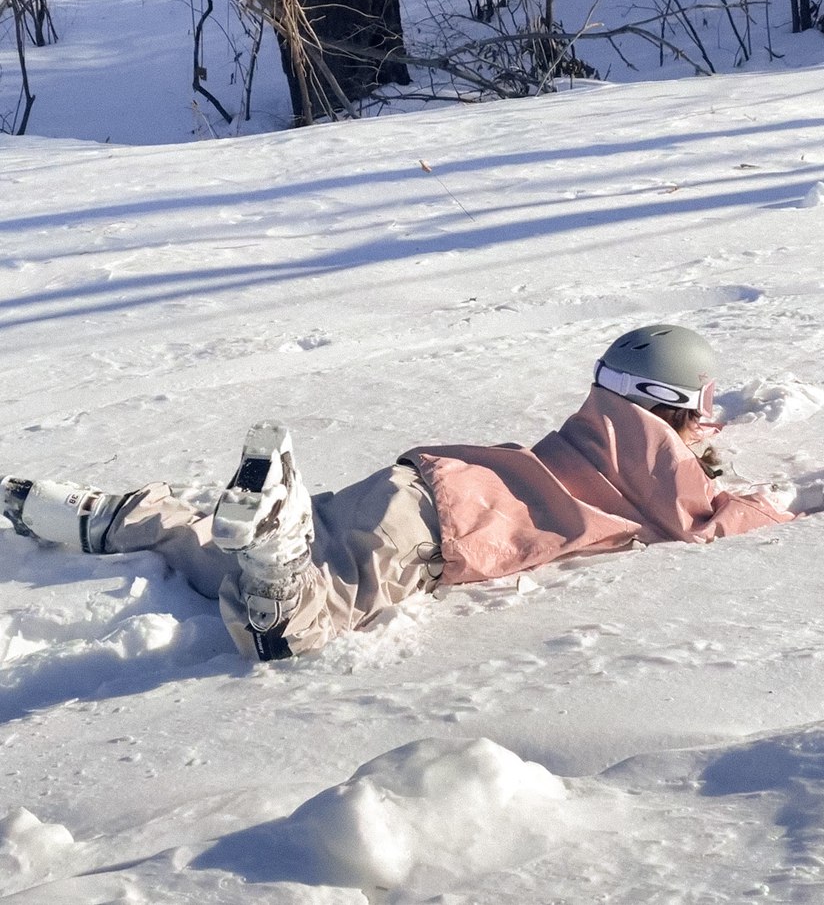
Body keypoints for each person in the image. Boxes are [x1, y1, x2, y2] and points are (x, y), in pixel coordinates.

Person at [0, 324, 799, 662]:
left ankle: (112, 518)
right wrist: (791, 506)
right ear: (674, 409)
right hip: (438, 527)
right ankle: (279, 562)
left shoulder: (592, 427)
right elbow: (706, 523)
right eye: (699, 414)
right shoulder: (655, 459)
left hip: (414, 484)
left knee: (216, 556)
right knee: (296, 624)